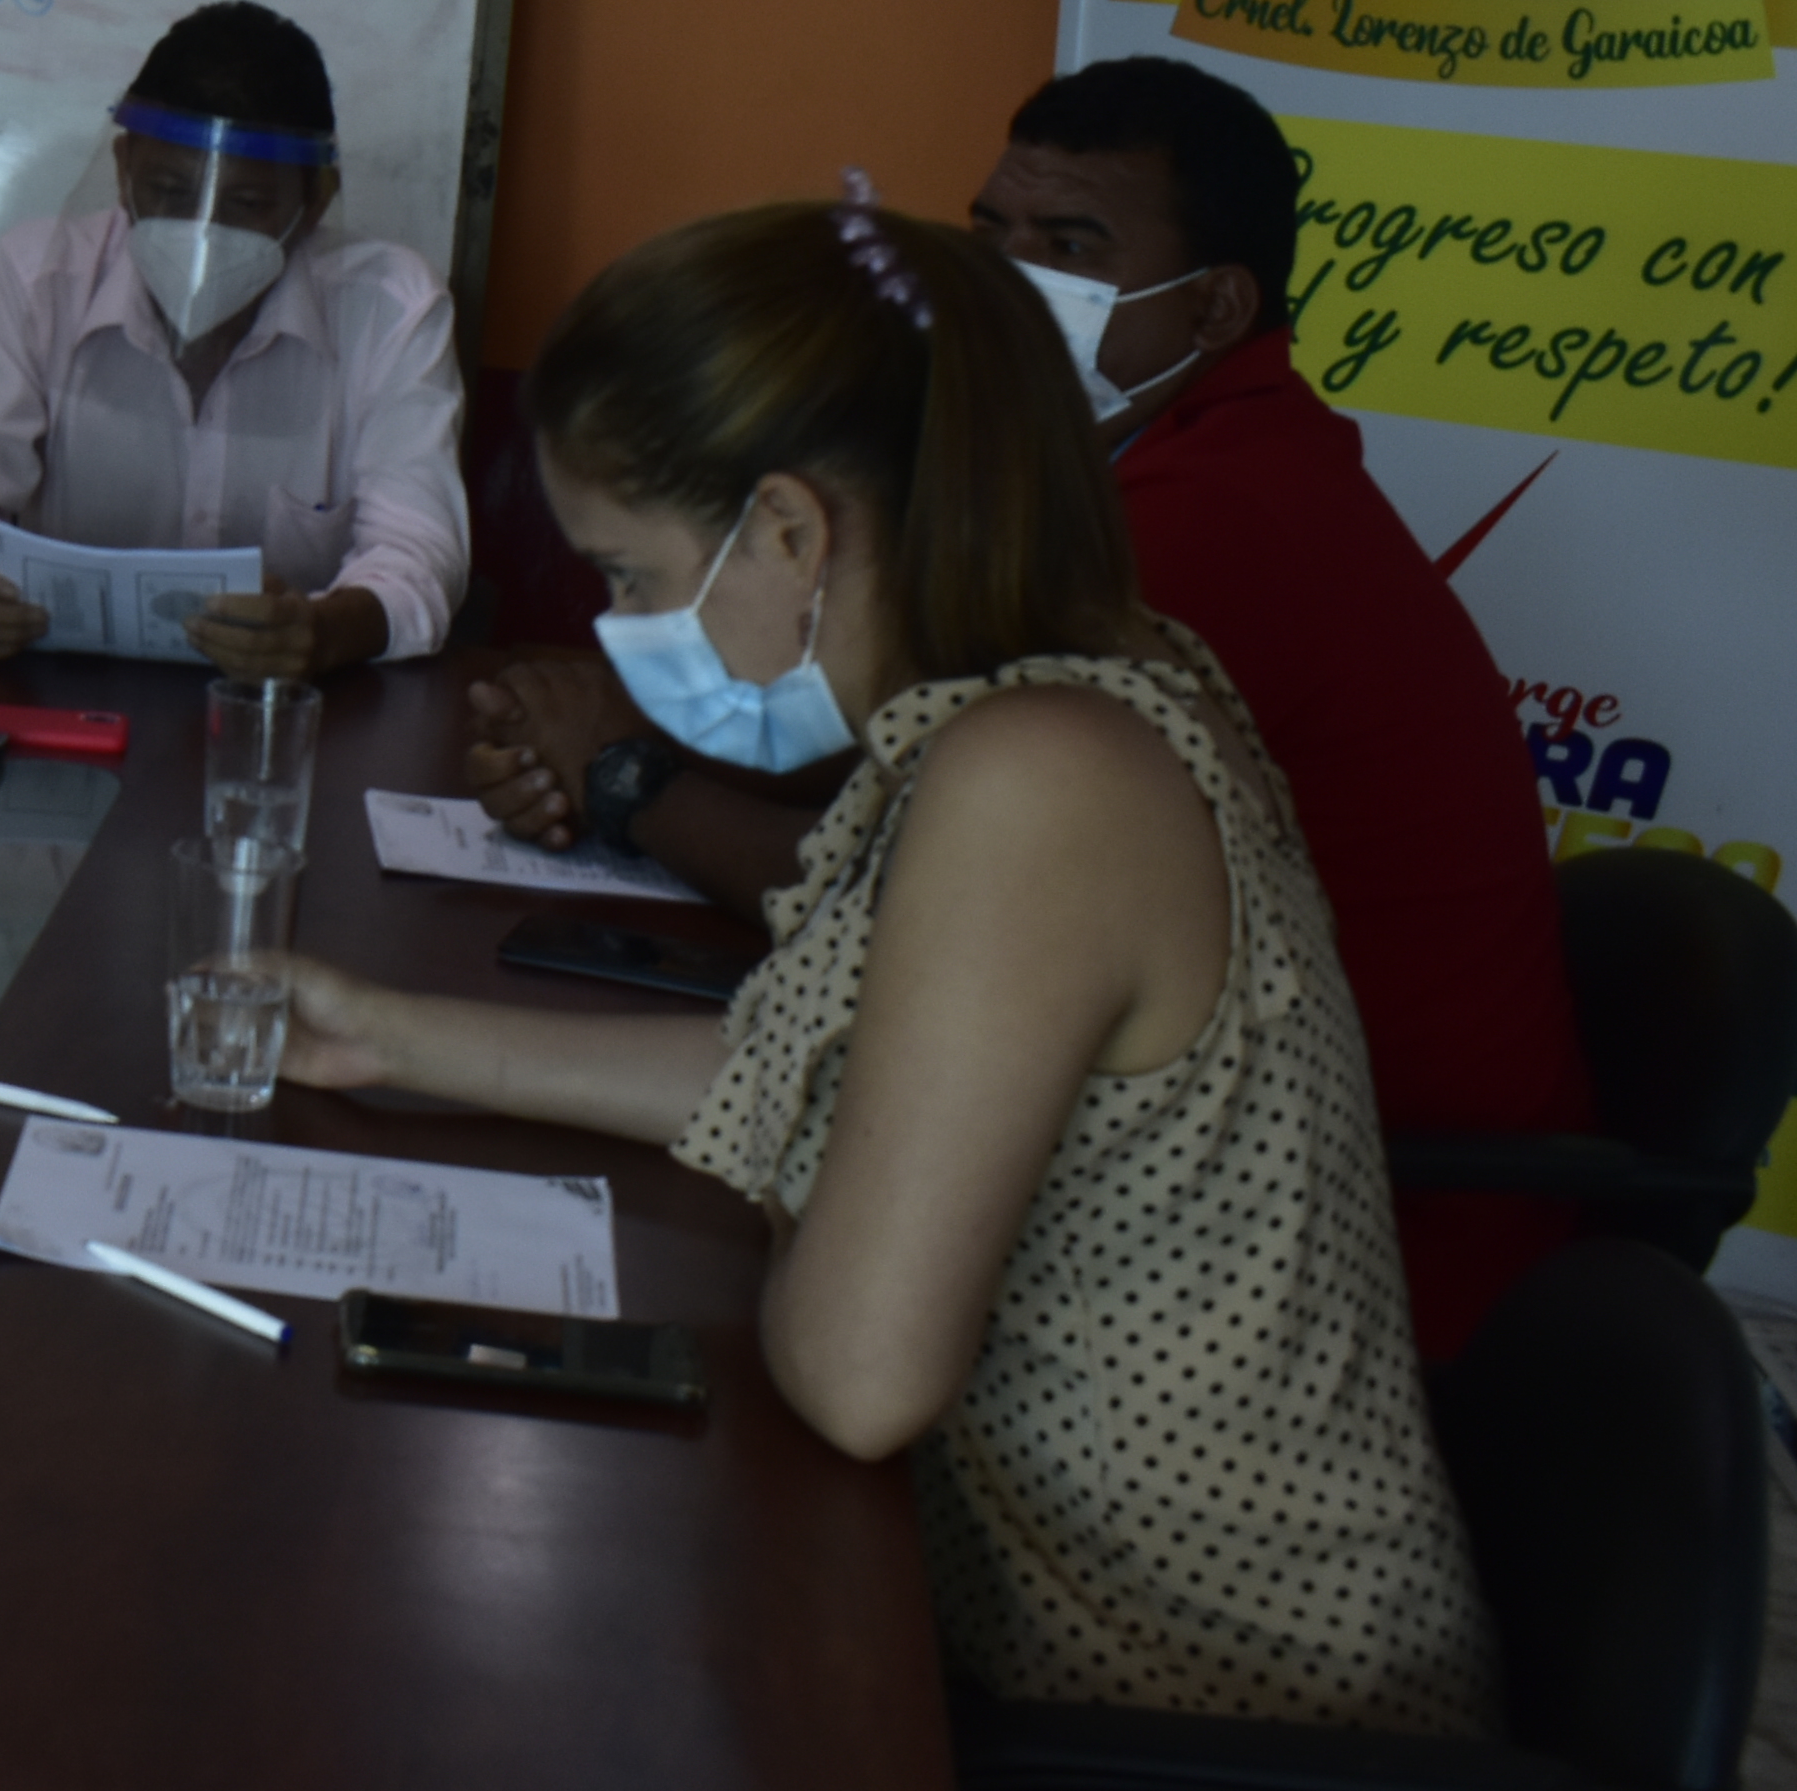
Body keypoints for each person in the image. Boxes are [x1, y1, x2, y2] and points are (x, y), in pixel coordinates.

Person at [291, 196, 1494, 1732]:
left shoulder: (1039, 779)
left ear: (791, 534)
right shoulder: (1055, 689)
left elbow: (861, 1375)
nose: (618, 629)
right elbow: (820, 1059)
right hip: (1064, 1634)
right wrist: (388, 1038)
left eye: (634, 578)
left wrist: (818, 1197)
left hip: (1205, 1709)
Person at [464, 58, 1588, 1356]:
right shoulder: (1113, 476)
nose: (1006, 276)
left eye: (1070, 245)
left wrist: (622, 775)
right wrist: (614, 733)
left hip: (1344, 1246)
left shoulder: (1203, 523)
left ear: (1217, 305)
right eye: (990, 231)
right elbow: (864, 785)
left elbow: (882, 870)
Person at [0, 2, 467, 678]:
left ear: (315, 200)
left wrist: (320, 633)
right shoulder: (36, 278)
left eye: (246, 205)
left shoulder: (392, 309)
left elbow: (417, 552)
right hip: (55, 694)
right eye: (169, 191)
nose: (202, 233)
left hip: (282, 713)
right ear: (122, 167)